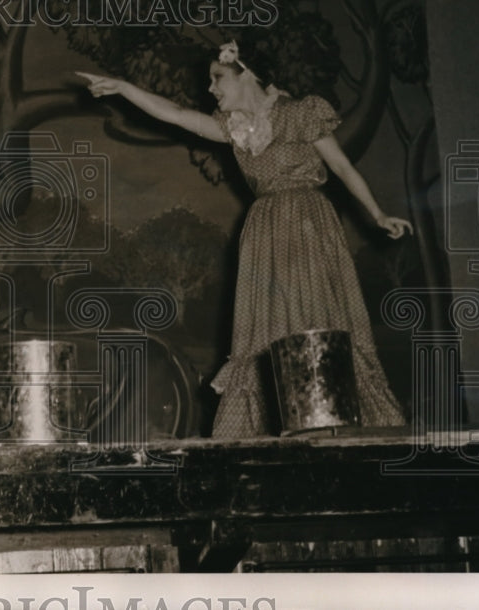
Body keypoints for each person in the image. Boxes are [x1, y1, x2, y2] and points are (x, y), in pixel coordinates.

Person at [79, 39, 411, 438]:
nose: (211, 89)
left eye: (217, 78)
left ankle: (332, 421)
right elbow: (177, 114)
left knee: (316, 316)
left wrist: (377, 214)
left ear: (247, 74)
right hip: (264, 231)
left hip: (308, 222)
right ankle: (292, 424)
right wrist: (124, 88)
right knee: (267, 329)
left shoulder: (300, 113)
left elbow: (341, 166)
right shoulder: (233, 131)